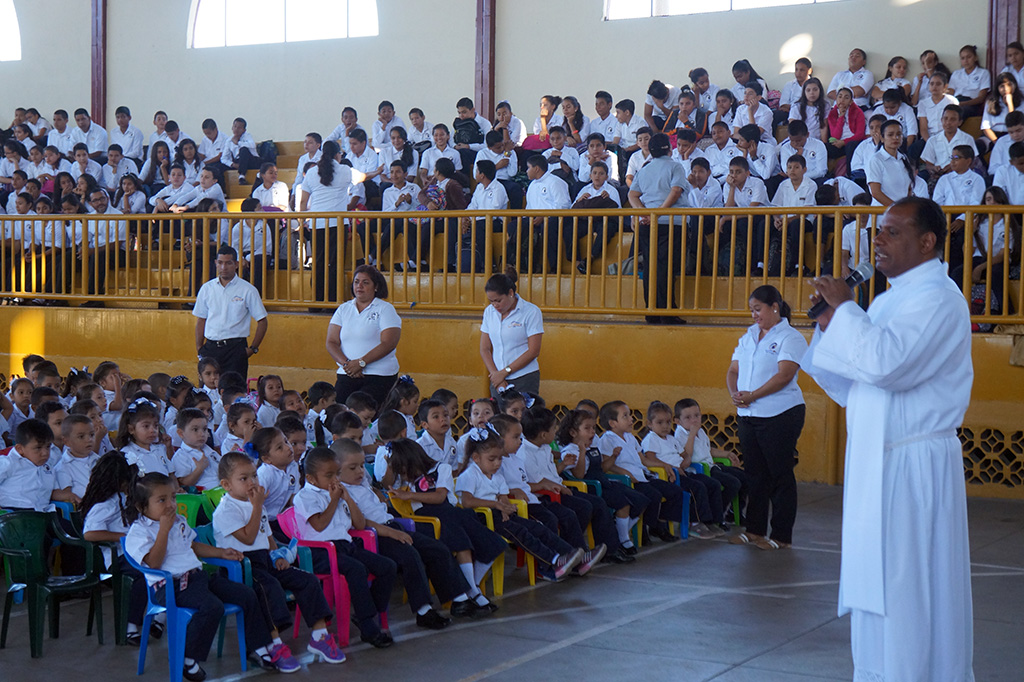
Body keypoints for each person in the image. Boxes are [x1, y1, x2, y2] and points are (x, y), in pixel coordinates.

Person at [804, 196, 974, 681]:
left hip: (913, 465)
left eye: (892, 232)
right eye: (878, 230)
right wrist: (830, 322)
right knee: (877, 593)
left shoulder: (940, 298)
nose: (878, 239)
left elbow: (886, 364)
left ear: (928, 242)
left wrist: (845, 310)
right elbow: (851, 382)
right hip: (876, 464)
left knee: (910, 589)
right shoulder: (886, 299)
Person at [125, 472, 297, 679]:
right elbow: (153, 563)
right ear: (141, 506)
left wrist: (221, 552)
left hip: (197, 578)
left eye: (173, 497)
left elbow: (192, 545)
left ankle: (259, 648)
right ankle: (187, 659)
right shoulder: (139, 531)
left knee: (247, 594)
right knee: (212, 606)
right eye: (162, 500)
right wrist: (163, 530)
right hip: (170, 586)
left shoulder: (178, 520)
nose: (171, 504)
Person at [212, 451, 346, 663]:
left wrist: (277, 555)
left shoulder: (257, 505)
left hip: (265, 561)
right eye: (243, 479)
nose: (252, 483)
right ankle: (274, 644)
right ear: (226, 485)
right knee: (269, 587)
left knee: (307, 581)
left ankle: (320, 637)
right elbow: (248, 538)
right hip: (240, 568)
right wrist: (256, 507)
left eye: (254, 476)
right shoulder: (226, 510)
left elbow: (268, 537)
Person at [726, 285, 806, 550]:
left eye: (758, 309)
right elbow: (733, 370)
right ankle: (755, 530)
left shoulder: (790, 337)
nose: (754, 315)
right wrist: (735, 394)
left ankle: (781, 535)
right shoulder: (748, 336)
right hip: (749, 414)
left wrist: (754, 395)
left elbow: (784, 375)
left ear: (774, 307)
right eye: (751, 310)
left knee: (779, 474)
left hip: (780, 413)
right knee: (755, 474)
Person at [456, 427, 585, 582]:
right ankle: (554, 561)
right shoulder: (470, 474)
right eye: (492, 459)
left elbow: (503, 495)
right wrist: (496, 505)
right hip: (482, 517)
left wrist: (505, 506)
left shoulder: (496, 476)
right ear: (476, 458)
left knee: (537, 528)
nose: (497, 463)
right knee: (521, 532)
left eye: (499, 459)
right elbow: (467, 501)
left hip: (499, 514)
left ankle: (571, 555)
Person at [628, 132, 691, 323]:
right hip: (671, 223)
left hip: (649, 224)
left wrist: (645, 213)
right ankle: (667, 313)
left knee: (651, 267)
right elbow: (676, 190)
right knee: (667, 268)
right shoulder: (675, 166)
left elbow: (632, 195)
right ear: (669, 149)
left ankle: (652, 311)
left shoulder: (645, 169)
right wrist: (659, 213)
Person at [323, 264, 401, 407]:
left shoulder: (385, 309)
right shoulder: (343, 309)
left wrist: (361, 363)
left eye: (365, 283)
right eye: (356, 282)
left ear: (376, 286)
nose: (359, 286)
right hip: (348, 373)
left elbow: (389, 343)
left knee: (364, 413)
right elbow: (331, 342)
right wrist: (347, 365)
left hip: (379, 375)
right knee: (339, 415)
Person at [300, 140, 366, 303]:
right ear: (338, 154)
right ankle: (333, 300)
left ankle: (316, 300)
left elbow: (303, 202)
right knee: (335, 263)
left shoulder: (311, 172)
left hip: (317, 224)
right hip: (338, 224)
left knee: (318, 263)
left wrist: (303, 222)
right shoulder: (345, 170)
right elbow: (363, 177)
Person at [193, 244, 268, 380]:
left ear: (237, 264)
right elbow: (201, 320)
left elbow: (262, 321)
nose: (223, 267)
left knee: (234, 393)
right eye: (220, 263)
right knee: (207, 394)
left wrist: (253, 349)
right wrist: (200, 348)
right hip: (210, 348)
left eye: (228, 263)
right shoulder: (207, 288)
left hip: (236, 349)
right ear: (215, 263)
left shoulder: (248, 290)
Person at [479, 268, 543, 397]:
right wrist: (496, 375)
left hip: (524, 377)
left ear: (510, 293)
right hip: (497, 379)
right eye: (491, 301)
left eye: (498, 300)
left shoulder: (531, 311)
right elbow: (485, 348)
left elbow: (533, 351)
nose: (495, 305)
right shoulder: (489, 312)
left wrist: (505, 372)